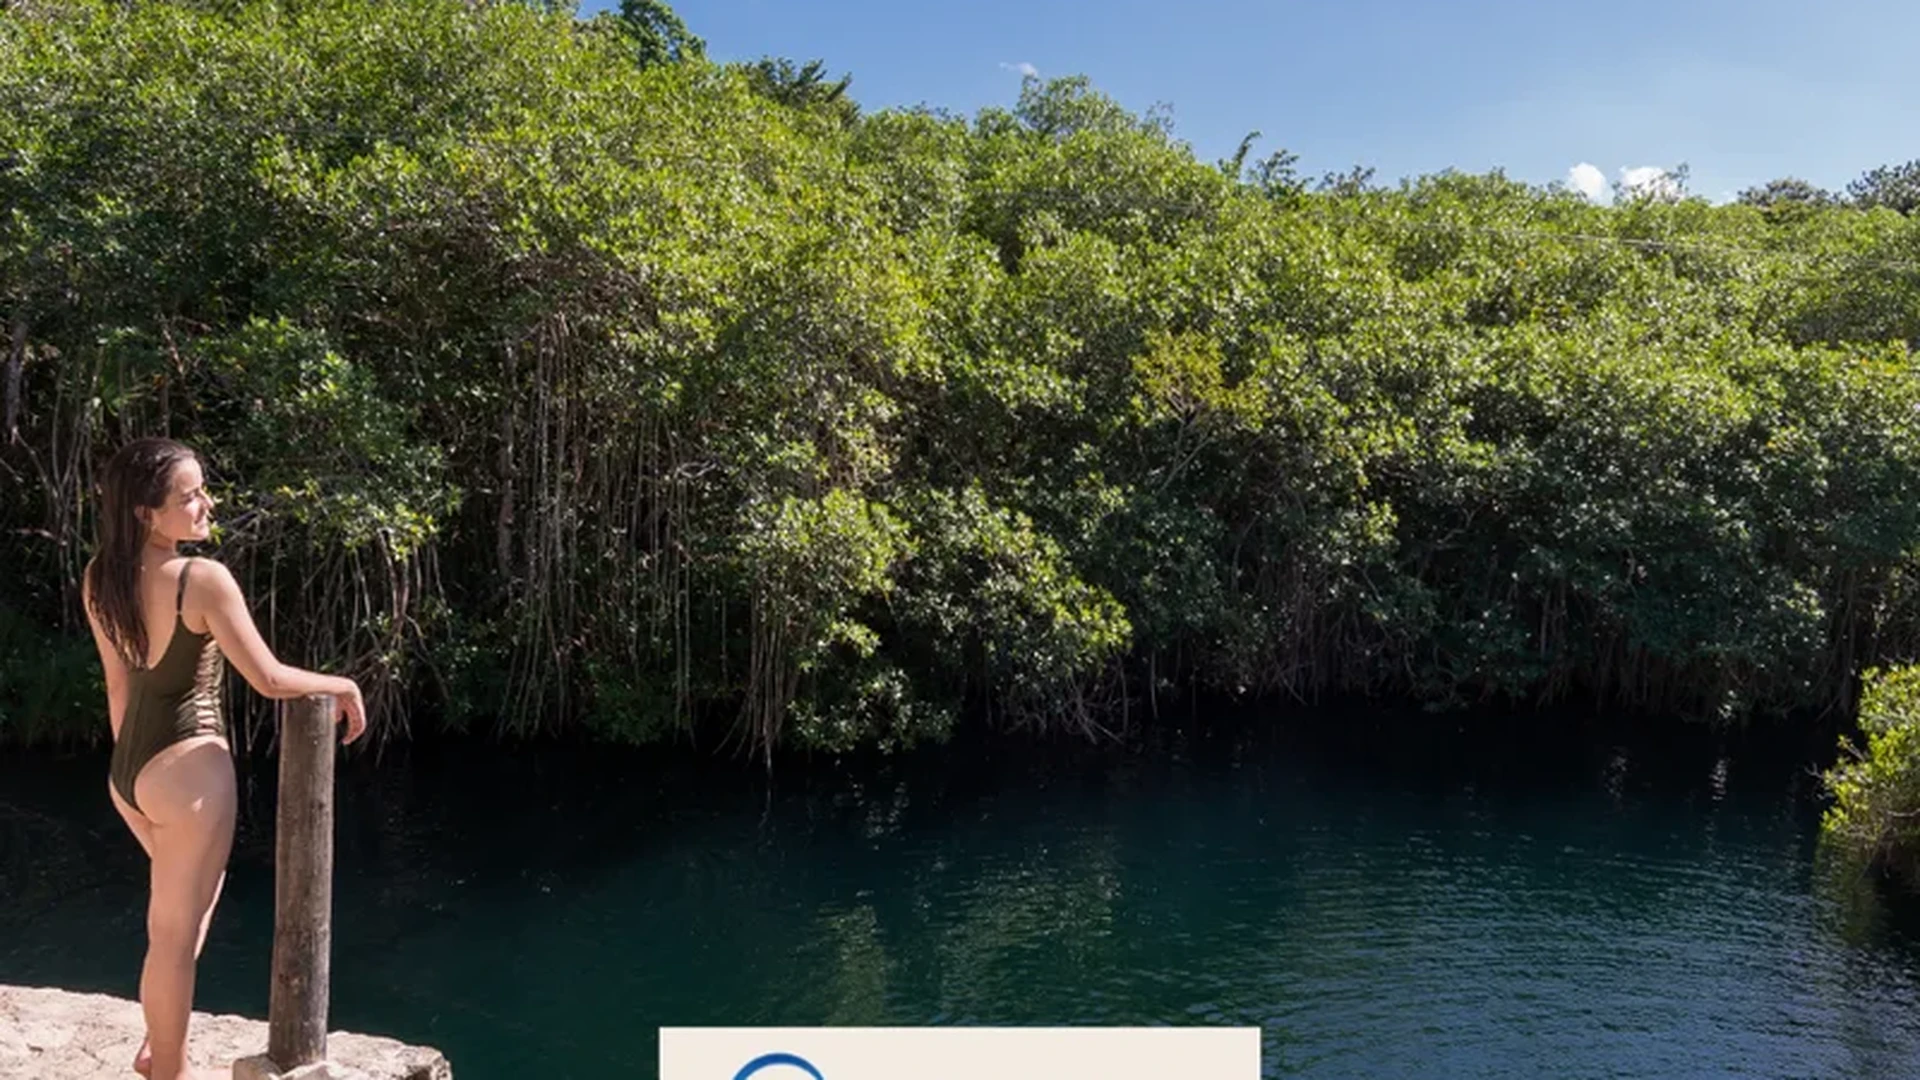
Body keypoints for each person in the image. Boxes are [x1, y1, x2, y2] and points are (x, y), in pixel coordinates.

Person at [82, 437, 366, 1080]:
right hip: (190, 772)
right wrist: (340, 685)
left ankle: (161, 1040)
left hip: (131, 771)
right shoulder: (201, 581)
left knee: (187, 913)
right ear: (145, 515)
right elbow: (267, 678)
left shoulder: (101, 575)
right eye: (190, 496)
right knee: (175, 937)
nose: (207, 503)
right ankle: (171, 1071)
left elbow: (118, 685)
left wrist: (132, 779)